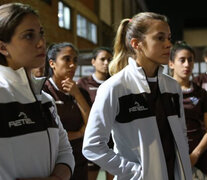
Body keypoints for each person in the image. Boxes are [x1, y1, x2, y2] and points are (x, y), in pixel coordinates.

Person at [82, 12, 192, 180]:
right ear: (136, 44)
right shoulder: (115, 88)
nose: (168, 44)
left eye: (169, 38)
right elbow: (92, 146)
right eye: (160, 38)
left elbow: (182, 135)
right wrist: (137, 173)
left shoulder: (172, 87)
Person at [0, 3, 75, 180]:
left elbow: (65, 152)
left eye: (41, 33)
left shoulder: (45, 100)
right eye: (28, 36)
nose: (41, 43)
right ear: (3, 47)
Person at [43, 42, 91, 180]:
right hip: (54, 163)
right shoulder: (43, 92)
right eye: (67, 59)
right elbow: (49, 134)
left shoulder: (81, 92)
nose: (72, 65)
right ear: (52, 63)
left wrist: (77, 95)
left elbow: (92, 125)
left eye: (75, 60)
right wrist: (79, 133)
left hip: (79, 160)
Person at [169, 41, 207, 176]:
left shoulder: (201, 94)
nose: (187, 64)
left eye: (190, 60)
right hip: (171, 156)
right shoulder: (162, 92)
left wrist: (196, 154)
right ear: (171, 63)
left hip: (199, 155)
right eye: (182, 60)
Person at [77, 47, 114, 180]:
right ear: (93, 61)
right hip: (94, 139)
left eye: (109, 59)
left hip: (113, 141)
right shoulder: (82, 83)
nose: (106, 63)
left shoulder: (115, 82)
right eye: (102, 59)